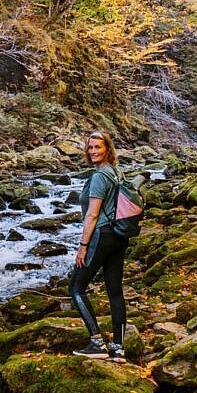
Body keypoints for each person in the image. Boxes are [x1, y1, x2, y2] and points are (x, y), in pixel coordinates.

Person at [69, 131, 127, 362]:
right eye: (90, 147)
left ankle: (96, 343)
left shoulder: (100, 176)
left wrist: (83, 246)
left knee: (76, 287)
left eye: (98, 147)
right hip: (118, 236)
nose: (93, 151)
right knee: (114, 290)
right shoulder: (117, 172)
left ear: (108, 149)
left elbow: (92, 215)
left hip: (101, 236)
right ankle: (118, 348)